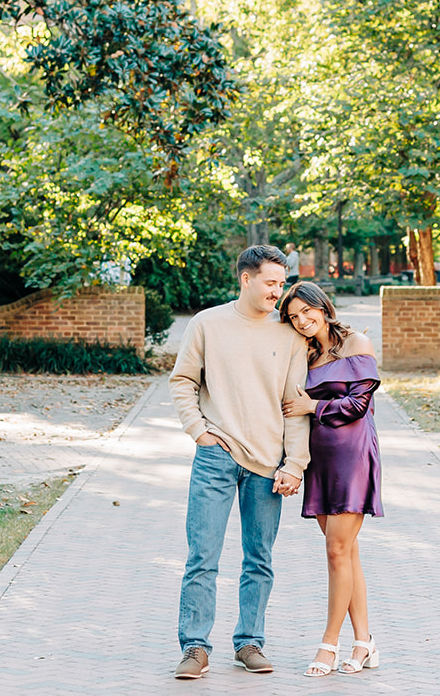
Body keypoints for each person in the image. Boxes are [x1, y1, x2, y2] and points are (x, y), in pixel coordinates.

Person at [170, 245, 310, 679]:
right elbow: (183, 381)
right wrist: (199, 432)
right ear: (246, 279)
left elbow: (295, 404)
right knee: (202, 557)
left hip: (268, 464)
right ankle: (195, 648)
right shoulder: (207, 323)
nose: (278, 291)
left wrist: (295, 464)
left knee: (259, 558)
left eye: (281, 283)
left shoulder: (289, 335)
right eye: (270, 282)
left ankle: (250, 642)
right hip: (217, 455)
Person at [279, 280, 383, 677]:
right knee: (347, 552)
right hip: (319, 458)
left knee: (337, 552)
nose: (303, 321)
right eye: (294, 317)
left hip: (352, 455)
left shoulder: (356, 343)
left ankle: (329, 644)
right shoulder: (304, 353)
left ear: (323, 306)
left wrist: (312, 404)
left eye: (307, 311)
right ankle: (365, 643)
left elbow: (359, 404)